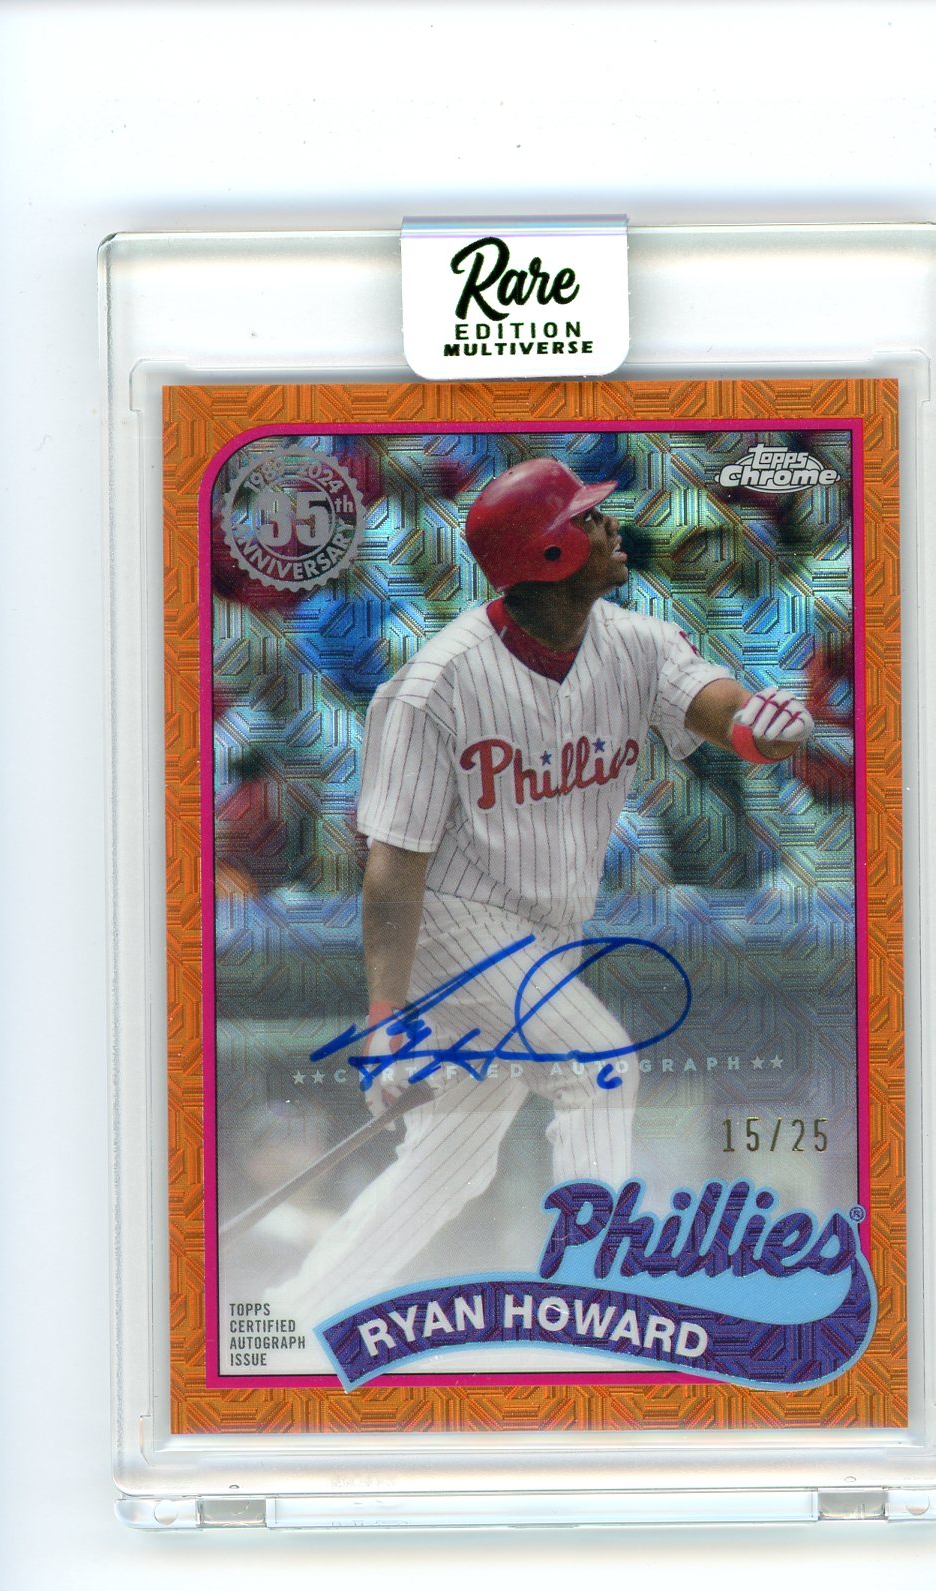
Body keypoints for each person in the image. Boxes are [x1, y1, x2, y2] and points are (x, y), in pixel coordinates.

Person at [272, 457, 813, 1328]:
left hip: (549, 928)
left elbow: (724, 714)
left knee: (452, 1163)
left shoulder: (633, 641)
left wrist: (762, 728)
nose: (611, 526)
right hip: (454, 919)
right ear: (551, 554)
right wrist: (384, 1016)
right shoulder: (434, 686)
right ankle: (596, 1306)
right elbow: (393, 865)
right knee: (600, 1069)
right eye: (587, 520)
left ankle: (295, 1320)